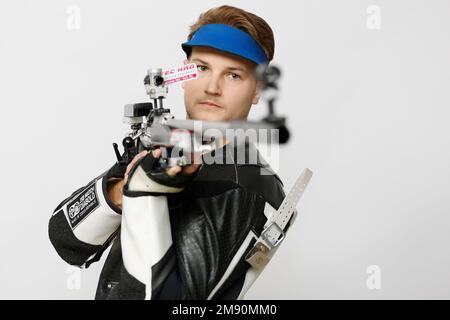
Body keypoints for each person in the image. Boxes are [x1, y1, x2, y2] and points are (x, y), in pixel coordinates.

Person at [49, 5, 292, 300]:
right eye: (202, 68)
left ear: (258, 90)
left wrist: (143, 194)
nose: (211, 87)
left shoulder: (250, 186)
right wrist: (121, 191)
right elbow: (65, 237)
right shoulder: (161, 141)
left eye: (233, 75)